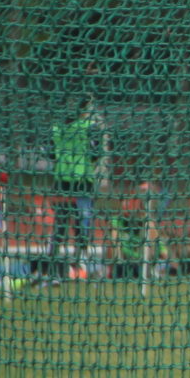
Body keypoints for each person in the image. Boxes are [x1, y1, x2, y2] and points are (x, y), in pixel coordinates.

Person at [51, 101, 106, 274]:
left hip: (61, 179)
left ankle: (52, 261)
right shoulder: (91, 127)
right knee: (83, 220)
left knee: (60, 221)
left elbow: (50, 153)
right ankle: (79, 263)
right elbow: (96, 154)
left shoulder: (56, 128)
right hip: (82, 179)